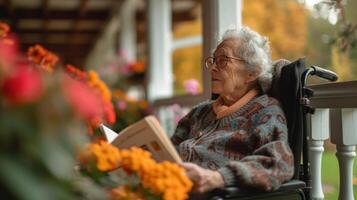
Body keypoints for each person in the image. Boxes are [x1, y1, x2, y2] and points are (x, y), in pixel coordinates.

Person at [171, 26, 294, 194]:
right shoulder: (199, 112)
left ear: (252, 72)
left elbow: (279, 163)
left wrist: (217, 178)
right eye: (213, 60)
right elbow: (170, 148)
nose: (213, 68)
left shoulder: (266, 111)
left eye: (223, 60)